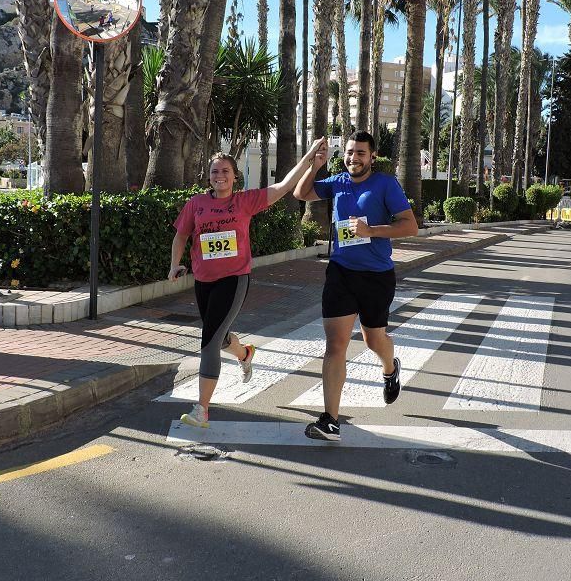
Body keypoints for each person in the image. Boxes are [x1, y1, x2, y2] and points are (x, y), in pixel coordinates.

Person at [170, 138, 328, 429]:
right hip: (204, 280)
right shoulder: (196, 204)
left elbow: (283, 187)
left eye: (225, 172)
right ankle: (245, 353)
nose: (220, 177)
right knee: (219, 338)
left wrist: (308, 157)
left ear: (234, 177)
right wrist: (175, 264)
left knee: (208, 342)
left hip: (234, 279)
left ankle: (201, 410)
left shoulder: (244, 201)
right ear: (209, 177)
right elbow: (181, 235)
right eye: (215, 172)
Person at [293, 131, 418, 441]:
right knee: (335, 344)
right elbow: (300, 193)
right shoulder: (337, 181)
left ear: (372, 157)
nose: (354, 158)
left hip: (376, 275)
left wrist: (370, 229)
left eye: (361, 153)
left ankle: (390, 368)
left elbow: (410, 225)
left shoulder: (385, 184)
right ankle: (331, 420)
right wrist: (315, 163)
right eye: (349, 152)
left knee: (374, 339)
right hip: (341, 272)